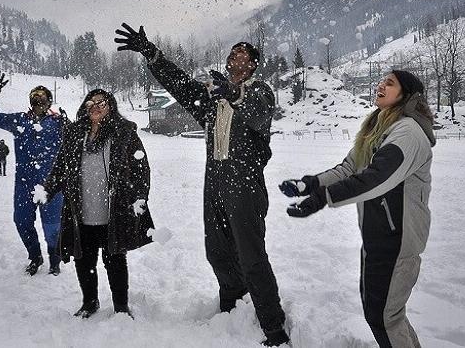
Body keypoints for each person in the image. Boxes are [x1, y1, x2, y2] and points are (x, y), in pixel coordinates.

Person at [115, 23, 288, 346]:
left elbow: (257, 114)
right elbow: (180, 84)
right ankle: (233, 310)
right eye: (233, 54)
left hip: (245, 185)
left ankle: (274, 328)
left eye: (243, 55)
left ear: (253, 65)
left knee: (251, 256)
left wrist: (233, 93)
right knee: (218, 252)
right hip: (216, 182)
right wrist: (152, 54)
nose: (236, 58)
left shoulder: (260, 91)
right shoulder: (212, 99)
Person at [279, 71, 434, 348]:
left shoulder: (408, 132)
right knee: (385, 315)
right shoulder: (379, 128)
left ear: (407, 95)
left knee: (385, 318)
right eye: (382, 81)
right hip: (379, 237)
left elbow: (377, 178)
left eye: (390, 83)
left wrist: (322, 198)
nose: (381, 85)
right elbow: (349, 169)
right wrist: (310, 185)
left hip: (398, 241)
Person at [42, 89, 154, 318]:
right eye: (90, 103)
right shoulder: (75, 134)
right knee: (84, 260)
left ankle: (121, 307)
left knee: (115, 260)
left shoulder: (124, 133)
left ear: (110, 106)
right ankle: (89, 303)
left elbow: (141, 168)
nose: (95, 107)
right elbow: (61, 166)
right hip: (82, 211)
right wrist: (47, 189)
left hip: (113, 210)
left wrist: (140, 197)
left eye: (100, 103)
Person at [0, 72, 68, 275]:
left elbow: (82, 139)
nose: (38, 101)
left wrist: (70, 124)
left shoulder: (58, 123)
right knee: (21, 222)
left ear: (49, 102)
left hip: (51, 185)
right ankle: (35, 256)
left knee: (53, 227)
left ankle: (55, 261)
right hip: (24, 184)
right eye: (34, 98)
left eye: (42, 97)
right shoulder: (19, 120)